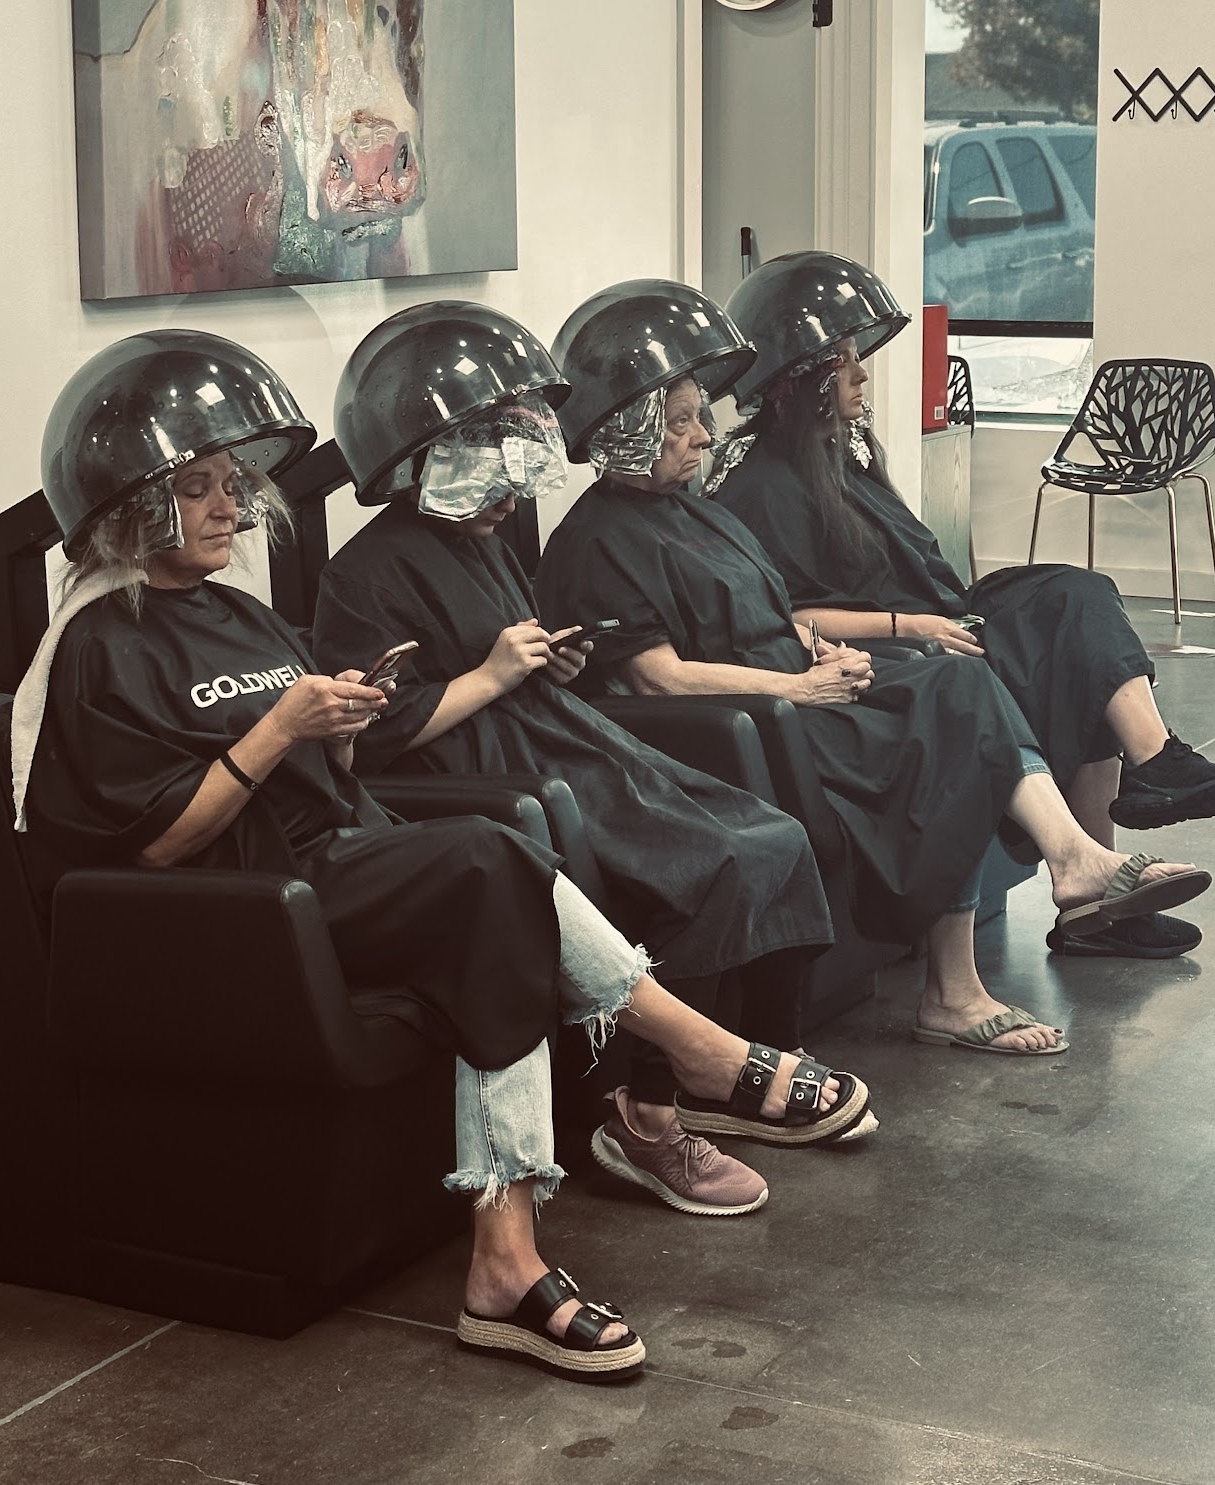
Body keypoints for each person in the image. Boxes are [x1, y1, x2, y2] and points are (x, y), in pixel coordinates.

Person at [12, 329, 851, 1385]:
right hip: (246, 900)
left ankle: (507, 1258)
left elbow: (321, 767)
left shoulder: (234, 610)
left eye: (234, 484)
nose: (233, 507)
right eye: (200, 488)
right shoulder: (101, 645)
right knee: (490, 861)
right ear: (129, 503)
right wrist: (278, 730)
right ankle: (696, 1054)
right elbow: (160, 841)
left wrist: (340, 725)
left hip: (331, 852)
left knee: (496, 900)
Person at [535, 281, 1214, 1057]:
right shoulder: (597, 542)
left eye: (700, 416)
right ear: (626, 431)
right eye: (680, 422)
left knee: (960, 684)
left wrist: (818, 651)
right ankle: (966, 979)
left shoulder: (695, 512)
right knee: (945, 726)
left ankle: (1071, 864)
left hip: (797, 695)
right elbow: (654, 680)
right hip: (748, 732)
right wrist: (797, 685)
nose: (704, 436)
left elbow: (772, 615)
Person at [311, 302, 871, 1217]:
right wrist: (494, 675)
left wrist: (549, 663)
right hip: (484, 773)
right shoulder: (364, 574)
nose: (509, 502)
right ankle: (646, 1115)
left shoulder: (484, 545)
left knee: (771, 833)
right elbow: (373, 736)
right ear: (428, 463)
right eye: (491, 480)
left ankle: (750, 1061)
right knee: (710, 860)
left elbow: (514, 652)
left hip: (560, 732)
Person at [714, 251, 1215, 962]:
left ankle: (1155, 768)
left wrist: (939, 615)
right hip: (894, 648)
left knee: (1077, 596)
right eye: (843, 362)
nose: (862, 373)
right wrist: (911, 625)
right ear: (804, 380)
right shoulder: (760, 488)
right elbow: (788, 620)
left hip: (944, 617)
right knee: (1064, 654)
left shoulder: (843, 457)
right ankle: (1094, 889)